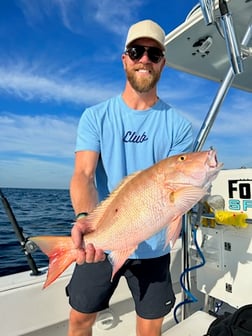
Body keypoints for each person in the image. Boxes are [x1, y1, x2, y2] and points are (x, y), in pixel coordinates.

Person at [66, 19, 193, 336]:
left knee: (150, 329)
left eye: (153, 53)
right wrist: (84, 217)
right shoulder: (96, 116)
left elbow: (177, 192)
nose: (145, 60)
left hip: (153, 249)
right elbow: (83, 174)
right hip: (103, 239)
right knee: (79, 321)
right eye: (137, 51)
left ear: (162, 62)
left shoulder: (179, 127)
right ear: (125, 58)